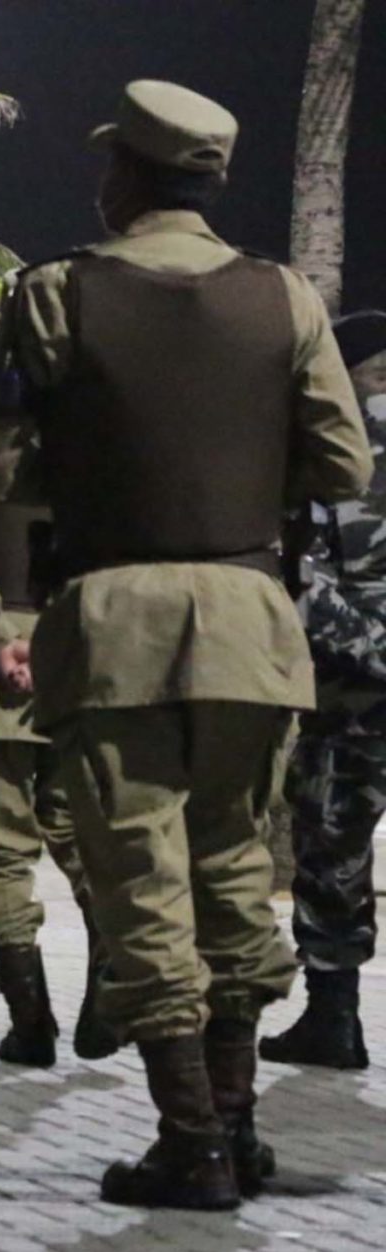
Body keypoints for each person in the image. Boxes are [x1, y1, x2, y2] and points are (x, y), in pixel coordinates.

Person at [0, 81, 372, 1211]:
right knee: (237, 864)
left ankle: (188, 1143)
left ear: (128, 177)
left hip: (115, 623)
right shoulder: (281, 296)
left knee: (141, 877)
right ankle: (238, 1130)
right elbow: (340, 466)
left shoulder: (53, 294)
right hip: (250, 617)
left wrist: (95, 477)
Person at [0, 394, 113, 1067]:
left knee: (2, 851)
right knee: (88, 835)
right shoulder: (109, 413)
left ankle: (31, 1023)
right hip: (92, 659)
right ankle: (110, 980)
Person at [261, 311, 386, 1070]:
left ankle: (335, 1018)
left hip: (354, 688)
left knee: (333, 838)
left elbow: (300, 567)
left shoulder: (325, 441)